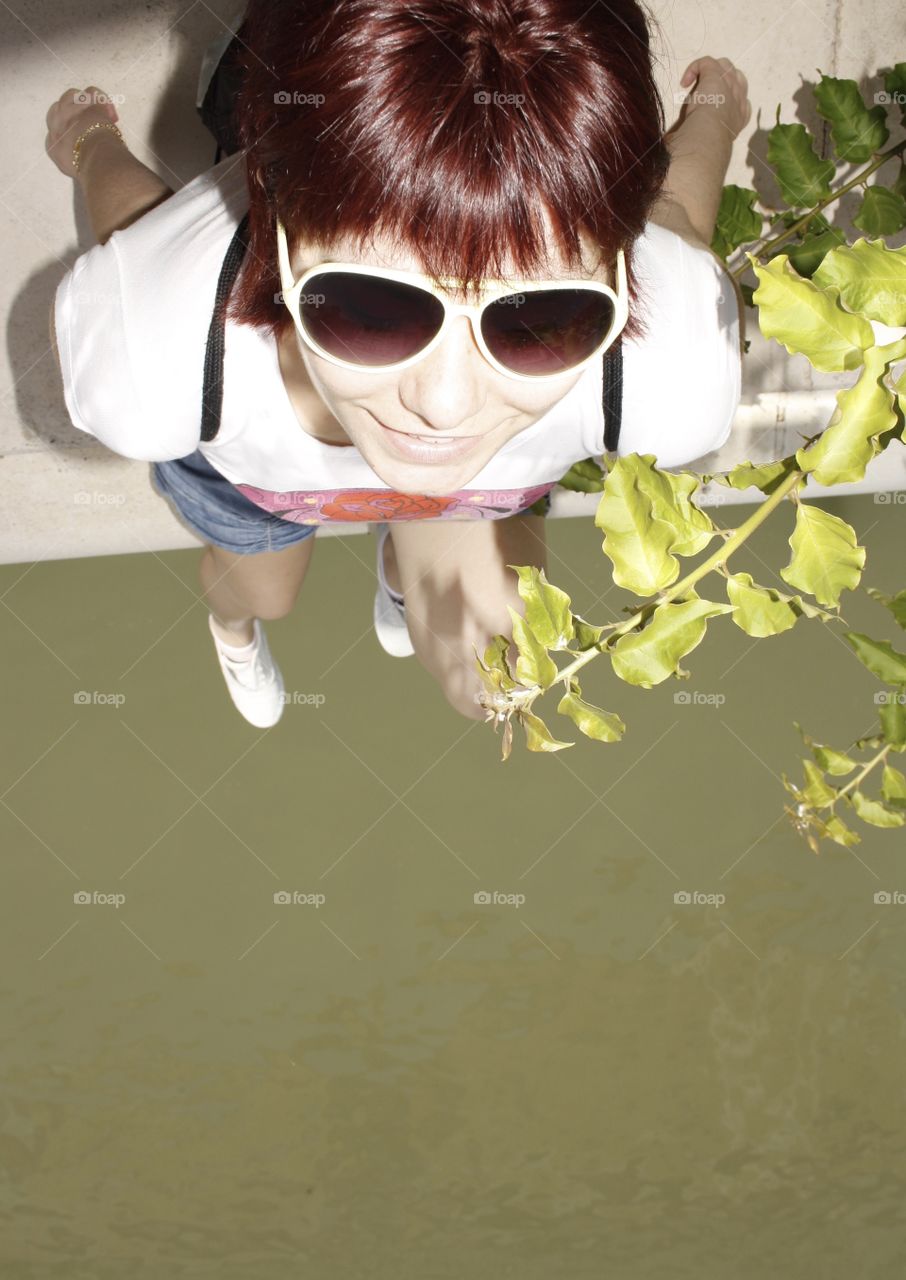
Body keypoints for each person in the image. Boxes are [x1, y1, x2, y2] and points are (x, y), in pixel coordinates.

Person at [45, 0, 750, 730]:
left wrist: (715, 115)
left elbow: (677, 230)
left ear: (616, 269)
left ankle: (399, 573)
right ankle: (238, 628)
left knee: (499, 646)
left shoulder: (669, 374)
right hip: (252, 480)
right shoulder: (162, 356)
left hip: (421, 482)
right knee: (262, 593)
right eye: (370, 307)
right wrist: (89, 143)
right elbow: (140, 237)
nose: (444, 407)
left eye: (537, 319)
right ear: (276, 224)